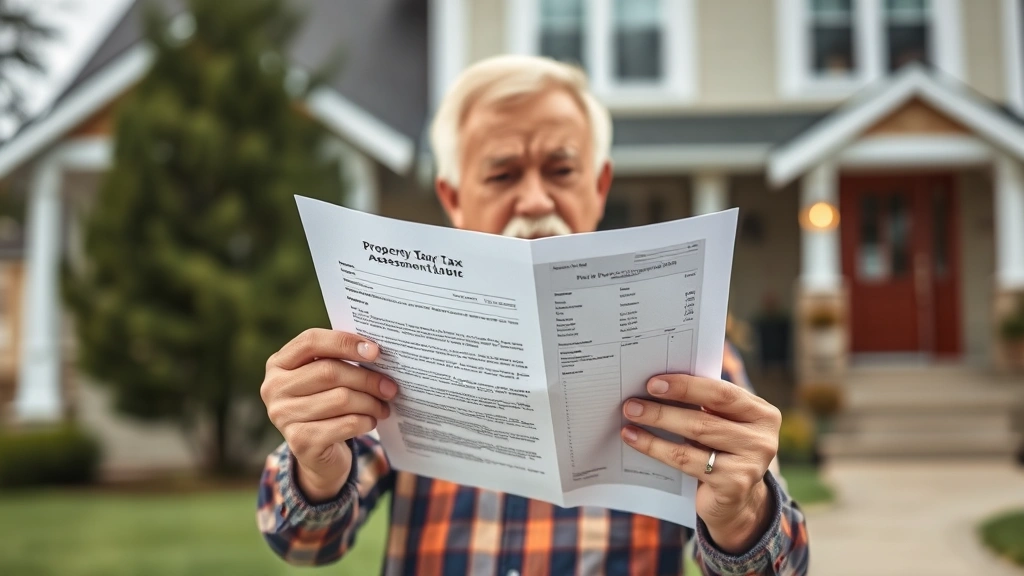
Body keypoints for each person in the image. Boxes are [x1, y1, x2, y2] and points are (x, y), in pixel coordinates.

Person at [256, 55, 809, 575]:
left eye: (560, 170)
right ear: (453, 196)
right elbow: (303, 544)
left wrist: (742, 514)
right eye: (502, 176)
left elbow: (778, 567)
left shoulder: (689, 350)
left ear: (599, 186)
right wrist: (318, 471)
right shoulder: (393, 339)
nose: (535, 201)